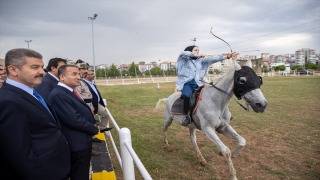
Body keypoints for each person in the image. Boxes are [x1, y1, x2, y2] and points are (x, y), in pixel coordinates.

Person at [0, 48, 70, 180]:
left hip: (54, 167)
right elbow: (19, 154)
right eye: (34, 67)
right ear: (13, 70)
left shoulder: (30, 92)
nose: (42, 72)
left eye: (42, 67)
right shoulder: (8, 101)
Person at [47, 64, 101, 180]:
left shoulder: (67, 91)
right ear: (62, 77)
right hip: (76, 144)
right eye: (74, 74)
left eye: (79, 74)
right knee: (79, 175)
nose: (79, 77)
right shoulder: (59, 94)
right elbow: (74, 120)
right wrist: (94, 129)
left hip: (80, 141)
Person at [176, 45, 236, 126]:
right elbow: (183, 53)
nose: (197, 51)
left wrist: (228, 56)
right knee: (187, 96)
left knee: (213, 95)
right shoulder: (183, 59)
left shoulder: (201, 61)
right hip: (186, 83)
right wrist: (196, 55)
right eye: (195, 50)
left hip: (198, 83)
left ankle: (223, 114)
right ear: (190, 51)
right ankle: (187, 116)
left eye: (198, 50)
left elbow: (214, 59)